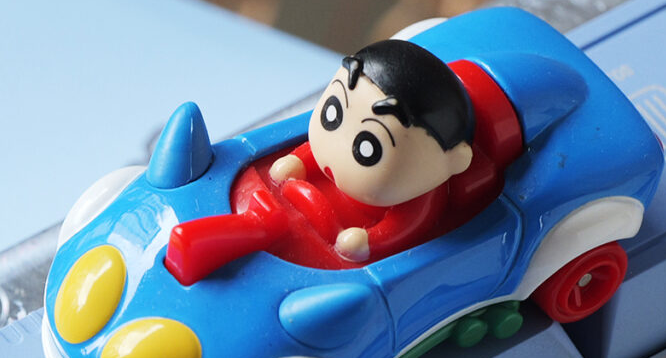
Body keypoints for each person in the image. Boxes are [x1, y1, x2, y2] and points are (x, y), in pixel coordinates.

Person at [165, 39, 478, 285]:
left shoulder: (419, 199)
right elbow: (312, 151)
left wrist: (369, 241)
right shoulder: (329, 149)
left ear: (451, 162)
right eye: (332, 113)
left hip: (346, 239)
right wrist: (298, 161)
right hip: (301, 204)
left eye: (367, 147)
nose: (336, 149)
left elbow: (405, 228)